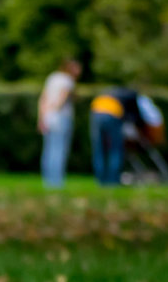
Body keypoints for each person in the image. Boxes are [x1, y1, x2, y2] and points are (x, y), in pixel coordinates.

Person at [37, 59, 82, 189]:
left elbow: (43, 98)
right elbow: (62, 98)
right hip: (61, 117)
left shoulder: (52, 77)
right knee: (59, 150)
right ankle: (56, 183)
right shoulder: (68, 81)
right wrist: (54, 110)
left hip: (47, 117)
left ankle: (47, 181)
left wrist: (42, 117)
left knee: (48, 150)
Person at [89, 86, 146, 187]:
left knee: (99, 149)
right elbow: (135, 116)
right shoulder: (132, 96)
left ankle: (100, 180)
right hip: (112, 114)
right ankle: (113, 181)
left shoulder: (108, 92)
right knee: (115, 149)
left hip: (96, 112)